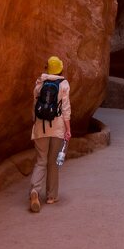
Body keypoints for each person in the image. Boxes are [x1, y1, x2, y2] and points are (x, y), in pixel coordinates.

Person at [29, 55, 71, 212]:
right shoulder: (64, 84)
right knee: (53, 162)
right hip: (58, 127)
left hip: (41, 127)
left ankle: (34, 190)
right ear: (60, 68)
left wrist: (35, 122)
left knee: (41, 161)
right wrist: (68, 129)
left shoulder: (39, 84)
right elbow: (66, 108)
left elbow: (34, 106)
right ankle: (51, 196)